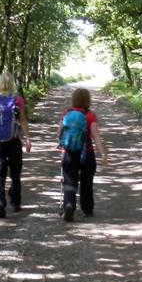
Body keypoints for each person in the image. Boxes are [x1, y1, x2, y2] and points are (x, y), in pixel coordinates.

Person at [0, 72, 32, 218]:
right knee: (15, 174)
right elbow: (22, 120)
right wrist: (28, 139)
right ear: (12, 84)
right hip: (13, 141)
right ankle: (16, 202)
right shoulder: (17, 100)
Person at [58, 86, 108, 222]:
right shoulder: (90, 115)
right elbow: (96, 136)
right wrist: (103, 154)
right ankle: (87, 209)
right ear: (88, 100)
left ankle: (69, 204)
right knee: (87, 182)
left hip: (69, 153)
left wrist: (61, 146)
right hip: (87, 153)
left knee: (69, 180)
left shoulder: (66, 114)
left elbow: (60, 133)